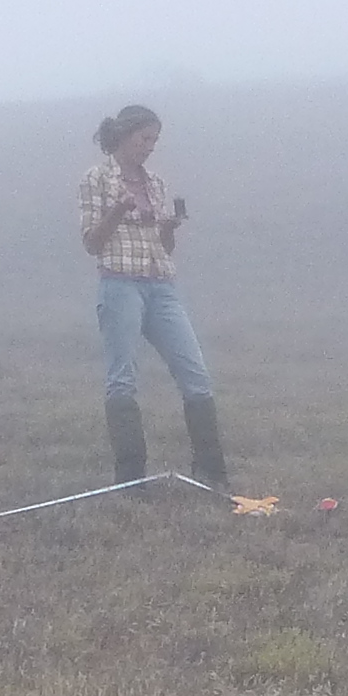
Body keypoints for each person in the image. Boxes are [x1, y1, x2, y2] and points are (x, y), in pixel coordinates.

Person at [76, 104, 229, 493]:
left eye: (155, 141)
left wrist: (169, 229)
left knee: (196, 375)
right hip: (119, 285)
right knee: (122, 379)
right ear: (125, 136)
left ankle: (211, 473)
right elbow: (92, 243)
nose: (150, 147)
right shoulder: (96, 179)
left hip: (161, 286)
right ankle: (130, 481)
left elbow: (164, 248)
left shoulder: (155, 183)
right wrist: (118, 209)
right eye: (145, 139)